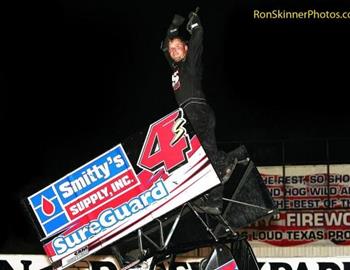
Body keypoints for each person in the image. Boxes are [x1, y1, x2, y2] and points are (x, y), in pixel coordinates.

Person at [161, 8, 238, 215]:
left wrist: (195, 23)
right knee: (207, 156)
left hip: (196, 110)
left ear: (186, 49)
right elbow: (164, 47)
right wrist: (175, 24)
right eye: (172, 49)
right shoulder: (175, 68)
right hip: (196, 113)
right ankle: (215, 201)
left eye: (179, 47)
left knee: (196, 154)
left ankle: (226, 161)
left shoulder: (190, 63)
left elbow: (198, 39)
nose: (175, 50)